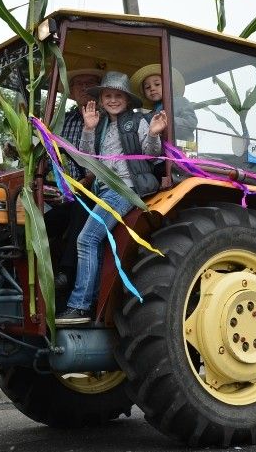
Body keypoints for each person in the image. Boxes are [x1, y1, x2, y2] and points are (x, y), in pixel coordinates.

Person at [55, 71, 167, 324]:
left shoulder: (137, 122)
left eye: (118, 96)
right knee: (80, 234)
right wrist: (88, 128)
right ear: (102, 99)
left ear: (127, 100)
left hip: (125, 189)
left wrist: (153, 133)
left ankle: (80, 305)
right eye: (108, 95)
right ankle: (90, 300)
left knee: (86, 239)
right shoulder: (102, 124)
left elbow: (150, 155)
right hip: (103, 191)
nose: (113, 100)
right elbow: (87, 159)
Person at [45, 68, 103, 293]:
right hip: (67, 189)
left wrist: (80, 186)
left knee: (81, 209)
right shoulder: (64, 120)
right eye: (79, 84)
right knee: (45, 223)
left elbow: (101, 165)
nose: (84, 88)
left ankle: (66, 274)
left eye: (90, 83)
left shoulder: (105, 119)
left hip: (94, 189)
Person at [129, 64, 198, 142]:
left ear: (168, 85)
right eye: (148, 87)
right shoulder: (150, 115)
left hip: (180, 148)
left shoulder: (180, 101)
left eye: (157, 84)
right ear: (144, 93)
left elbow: (191, 123)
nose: (152, 89)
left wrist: (165, 121)